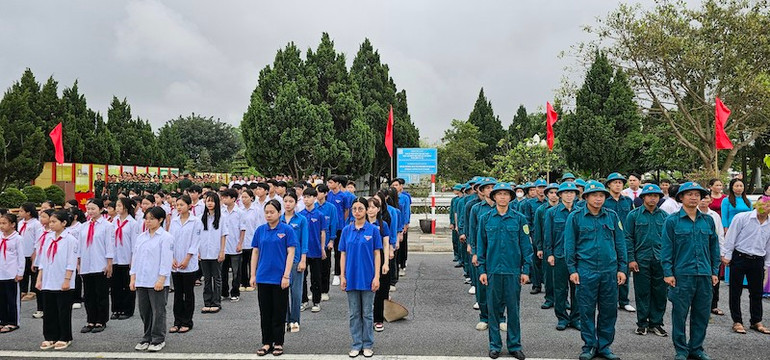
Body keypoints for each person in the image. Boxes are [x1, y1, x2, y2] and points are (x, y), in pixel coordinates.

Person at [565, 180, 627, 360]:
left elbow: (620, 243)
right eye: (594, 195)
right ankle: (589, 345)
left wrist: (622, 268)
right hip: (585, 270)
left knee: (609, 310)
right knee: (586, 309)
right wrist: (572, 269)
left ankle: (605, 346)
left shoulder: (612, 216)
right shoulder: (575, 217)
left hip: (609, 271)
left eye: (601, 196)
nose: (598, 199)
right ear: (586, 197)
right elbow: (570, 245)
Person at [661, 182, 720, 360]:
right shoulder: (672, 221)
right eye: (689, 194)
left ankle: (696, 348)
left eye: (697, 194)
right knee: (679, 314)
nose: (694, 197)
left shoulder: (708, 220)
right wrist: (668, 272)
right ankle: (681, 350)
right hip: (681, 275)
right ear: (681, 197)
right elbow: (666, 248)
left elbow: (714, 247)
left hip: (704, 274)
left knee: (701, 314)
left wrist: (714, 271)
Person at [477, 183, 532, 360]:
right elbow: (481, 246)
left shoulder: (519, 219)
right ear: (494, 197)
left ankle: (515, 345)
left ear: (510, 197)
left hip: (513, 271)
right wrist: (482, 270)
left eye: (505, 194)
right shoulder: (486, 218)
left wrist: (526, 270)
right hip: (493, 271)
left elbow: (526, 246)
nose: (502, 197)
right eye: (499, 194)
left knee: (513, 310)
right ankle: (495, 345)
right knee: (493, 310)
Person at [250, 199, 296, 357]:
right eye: (266, 212)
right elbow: (255, 252)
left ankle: (278, 342)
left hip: (279, 278)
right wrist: (252, 274)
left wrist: (286, 275)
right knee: (265, 312)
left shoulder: (287, 230)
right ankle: (266, 342)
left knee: (279, 311)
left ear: (279, 213)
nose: (268, 215)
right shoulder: (260, 230)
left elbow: (291, 253)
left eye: (272, 212)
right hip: (263, 277)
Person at [339, 197, 382, 358]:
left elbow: (377, 254)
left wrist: (376, 276)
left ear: (366, 210)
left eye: (360, 209)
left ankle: (368, 344)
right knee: (354, 314)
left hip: (368, 277)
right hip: (351, 277)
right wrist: (342, 276)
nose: (357, 212)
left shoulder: (373, 230)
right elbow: (342, 254)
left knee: (367, 314)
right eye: (354, 209)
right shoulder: (346, 231)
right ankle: (356, 344)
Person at [721, 196, 770, 335]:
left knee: (757, 292)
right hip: (740, 256)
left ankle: (756, 320)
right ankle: (737, 321)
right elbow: (731, 236)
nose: (763, 207)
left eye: (767, 205)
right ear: (756, 204)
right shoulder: (742, 217)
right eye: (761, 204)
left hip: (758, 259)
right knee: (735, 291)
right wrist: (727, 255)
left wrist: (767, 264)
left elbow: (769, 245)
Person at [625, 184, 668, 336]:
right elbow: (628, 238)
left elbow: (670, 241)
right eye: (649, 196)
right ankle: (642, 323)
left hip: (660, 260)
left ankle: (656, 323)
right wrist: (631, 259)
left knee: (660, 292)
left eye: (656, 196)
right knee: (642, 292)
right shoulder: (634, 215)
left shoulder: (665, 216)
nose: (652, 198)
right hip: (641, 260)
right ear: (643, 198)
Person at [130, 207, 173, 352]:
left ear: (160, 220)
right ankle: (146, 337)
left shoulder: (165, 237)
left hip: (157, 280)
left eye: (152, 219)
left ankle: (158, 338)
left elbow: (166, 261)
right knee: (144, 311)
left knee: (158, 311)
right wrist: (133, 278)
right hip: (142, 279)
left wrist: (161, 279)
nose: (148, 222)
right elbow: (135, 259)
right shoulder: (141, 237)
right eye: (146, 218)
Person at [36, 211, 78, 350]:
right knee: (49, 310)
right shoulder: (47, 238)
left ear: (64, 223)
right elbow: (42, 260)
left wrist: (67, 280)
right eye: (51, 222)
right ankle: (50, 336)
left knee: (63, 310)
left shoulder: (70, 240)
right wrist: (39, 278)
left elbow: (71, 262)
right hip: (48, 279)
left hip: (62, 280)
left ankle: (65, 337)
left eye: (54, 222)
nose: (51, 224)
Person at [544, 182, 581, 331]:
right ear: (560, 195)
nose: (569, 195)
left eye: (572, 192)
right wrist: (550, 253)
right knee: (560, 289)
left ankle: (576, 318)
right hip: (559, 256)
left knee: (577, 289)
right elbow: (548, 235)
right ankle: (562, 318)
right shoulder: (552, 212)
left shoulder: (580, 211)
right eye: (566, 192)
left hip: (577, 257)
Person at [467, 178, 502, 331]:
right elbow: (472, 231)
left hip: (499, 254)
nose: (489, 190)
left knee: (499, 287)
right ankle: (484, 317)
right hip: (482, 253)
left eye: (492, 187)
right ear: (481, 191)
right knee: (482, 285)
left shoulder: (504, 208)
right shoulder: (476, 208)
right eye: (486, 188)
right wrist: (474, 251)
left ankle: (500, 317)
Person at [78, 198, 115, 334]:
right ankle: (90, 320)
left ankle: (101, 320)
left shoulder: (107, 226)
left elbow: (109, 245)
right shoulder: (83, 226)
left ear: (100, 209)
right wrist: (79, 263)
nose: (90, 211)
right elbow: (80, 246)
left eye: (93, 208)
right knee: (88, 295)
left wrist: (109, 263)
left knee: (101, 294)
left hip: (100, 264)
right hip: (86, 264)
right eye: (88, 209)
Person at [168, 195, 201, 334]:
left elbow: (195, 242)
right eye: (177, 205)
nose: (179, 207)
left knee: (188, 293)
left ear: (189, 206)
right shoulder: (174, 221)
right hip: (176, 263)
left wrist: (187, 259)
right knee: (177, 294)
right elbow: (170, 241)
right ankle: (177, 321)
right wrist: (172, 258)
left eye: (182, 204)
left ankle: (187, 321)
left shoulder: (196, 221)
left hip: (189, 263)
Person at [604, 172, 636, 313]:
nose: (618, 185)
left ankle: (624, 300)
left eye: (620, 182)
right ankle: (610, 299)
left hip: (624, 238)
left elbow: (631, 219)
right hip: (608, 237)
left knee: (624, 267)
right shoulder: (604, 200)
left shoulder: (627, 201)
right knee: (609, 269)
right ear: (609, 185)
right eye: (615, 182)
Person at [281, 192, 308, 333]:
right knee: (282, 291)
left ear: (296, 203)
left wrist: (303, 259)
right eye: (286, 201)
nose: (288, 203)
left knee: (296, 293)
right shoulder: (278, 220)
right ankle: (285, 319)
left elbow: (304, 241)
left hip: (297, 260)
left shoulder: (301, 220)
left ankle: (295, 319)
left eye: (291, 201)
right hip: (281, 261)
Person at [298, 188, 326, 313]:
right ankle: (303, 300)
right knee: (302, 277)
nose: (306, 199)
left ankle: (316, 301)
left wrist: (322, 248)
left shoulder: (319, 215)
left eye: (309, 197)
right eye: (304, 197)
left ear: (315, 198)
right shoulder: (300, 215)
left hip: (315, 250)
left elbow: (322, 232)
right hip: (303, 251)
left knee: (316, 277)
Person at [533, 183, 560, 309]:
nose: (554, 195)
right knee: (548, 275)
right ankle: (549, 298)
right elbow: (537, 230)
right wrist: (539, 247)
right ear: (547, 194)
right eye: (551, 193)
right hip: (547, 246)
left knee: (562, 276)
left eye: (556, 192)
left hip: (561, 245)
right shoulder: (541, 210)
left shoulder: (564, 208)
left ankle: (562, 300)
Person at [199, 192, 227, 313]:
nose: (210, 203)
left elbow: (223, 235)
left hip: (216, 252)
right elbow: (197, 236)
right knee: (206, 278)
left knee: (216, 278)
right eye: (207, 201)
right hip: (204, 252)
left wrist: (222, 251)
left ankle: (216, 302)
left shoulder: (221, 218)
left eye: (212, 201)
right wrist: (198, 251)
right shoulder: (200, 218)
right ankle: (207, 302)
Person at [368, 196, 392, 332]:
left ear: (378, 209)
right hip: (365, 259)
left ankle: (378, 319)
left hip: (379, 257)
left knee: (380, 291)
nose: (370, 210)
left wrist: (386, 263)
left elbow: (386, 244)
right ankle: (366, 319)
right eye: (368, 207)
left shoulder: (382, 225)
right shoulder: (360, 224)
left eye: (373, 207)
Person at [699, 194, 726, 317]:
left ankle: (713, 305)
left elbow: (719, 234)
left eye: (706, 198)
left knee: (715, 277)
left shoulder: (714, 216)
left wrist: (721, 252)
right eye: (702, 198)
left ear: (711, 200)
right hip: (699, 250)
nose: (704, 201)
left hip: (713, 249)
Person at [111, 198, 138, 320]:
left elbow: (134, 244)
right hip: (115, 258)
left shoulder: (132, 223)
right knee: (115, 285)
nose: (117, 208)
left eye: (119, 206)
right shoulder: (114, 221)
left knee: (127, 285)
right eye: (116, 206)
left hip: (127, 258)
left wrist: (133, 260)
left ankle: (127, 309)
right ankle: (116, 308)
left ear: (126, 207)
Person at [519, 179, 547, 295]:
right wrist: (528, 235)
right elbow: (526, 221)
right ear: (535, 189)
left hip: (547, 236)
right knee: (535, 261)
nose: (541, 190)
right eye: (539, 187)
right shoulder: (528, 203)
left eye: (543, 187)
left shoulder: (548, 202)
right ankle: (536, 285)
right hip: (534, 235)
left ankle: (547, 284)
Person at [0, 213, 24, 334]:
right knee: (2, 299)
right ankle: (3, 320)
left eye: (4, 223)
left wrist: (20, 272)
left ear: (13, 225)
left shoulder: (17, 239)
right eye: (0, 223)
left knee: (12, 299)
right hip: (1, 273)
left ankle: (13, 322)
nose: (1, 226)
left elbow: (21, 257)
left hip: (11, 274)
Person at [220, 189, 245, 303]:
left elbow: (242, 229)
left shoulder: (239, 212)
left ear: (233, 199)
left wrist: (240, 243)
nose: (224, 199)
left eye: (226, 197)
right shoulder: (221, 211)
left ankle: (235, 292)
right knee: (223, 272)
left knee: (236, 272)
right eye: (223, 197)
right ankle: (224, 292)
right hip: (223, 247)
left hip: (235, 246)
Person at [315, 184, 338, 301]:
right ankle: (315, 291)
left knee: (325, 268)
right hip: (314, 243)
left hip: (326, 242)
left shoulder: (331, 207)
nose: (317, 194)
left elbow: (334, 224)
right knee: (315, 270)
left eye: (319, 192)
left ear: (325, 194)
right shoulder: (312, 206)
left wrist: (331, 241)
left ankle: (324, 290)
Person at [17, 202, 43, 302]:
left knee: (32, 272)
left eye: (21, 211)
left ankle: (33, 291)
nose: (19, 213)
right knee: (23, 272)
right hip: (22, 251)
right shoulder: (20, 223)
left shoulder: (36, 224)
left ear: (28, 213)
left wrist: (35, 251)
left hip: (31, 251)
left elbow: (37, 239)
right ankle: (23, 290)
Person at [390, 178, 412, 277]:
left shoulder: (404, 198)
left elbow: (407, 211)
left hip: (401, 224)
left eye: (396, 185)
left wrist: (406, 224)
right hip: (392, 225)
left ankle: (402, 265)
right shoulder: (389, 198)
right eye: (393, 185)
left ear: (400, 186)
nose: (395, 187)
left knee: (402, 245)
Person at [239, 189, 260, 293]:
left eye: (246, 197)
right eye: (242, 197)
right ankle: (244, 282)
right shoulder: (239, 210)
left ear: (251, 198)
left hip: (252, 239)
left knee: (252, 262)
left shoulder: (256, 210)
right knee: (242, 263)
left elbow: (258, 226)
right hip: (242, 241)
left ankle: (253, 281)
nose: (243, 199)